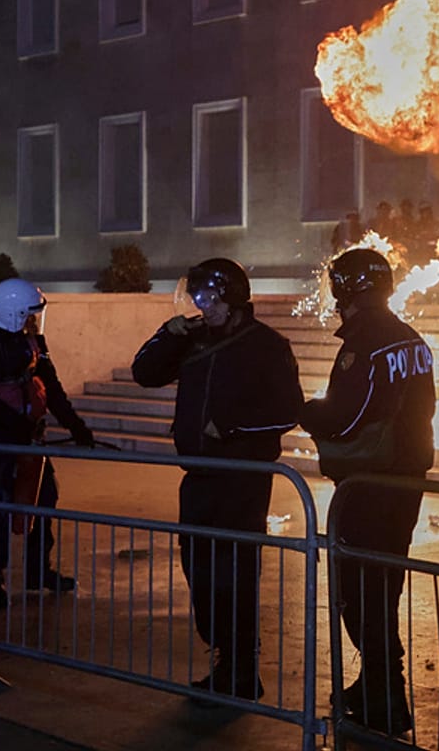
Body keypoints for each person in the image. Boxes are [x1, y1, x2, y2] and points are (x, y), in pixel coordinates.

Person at [130, 258, 303, 702]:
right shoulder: (194, 338)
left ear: (232, 297)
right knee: (200, 570)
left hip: (242, 478)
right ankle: (223, 655)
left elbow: (287, 410)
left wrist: (231, 426)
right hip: (200, 475)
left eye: (208, 298)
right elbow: (145, 373)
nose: (201, 306)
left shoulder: (267, 345)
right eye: (198, 298)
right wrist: (167, 336)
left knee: (235, 572)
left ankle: (243, 668)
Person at [300, 248, 435, 737]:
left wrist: (306, 411)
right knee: (384, 586)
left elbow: (347, 416)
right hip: (406, 480)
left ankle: (386, 697)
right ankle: (375, 684)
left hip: (370, 484)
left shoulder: (365, 343)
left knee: (359, 593)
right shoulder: (411, 338)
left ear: (347, 289)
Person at [0, 277, 92, 610]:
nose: (33, 320)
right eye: (28, 314)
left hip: (28, 438)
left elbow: (52, 388)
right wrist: (16, 427)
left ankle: (37, 571)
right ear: (13, 312)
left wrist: (77, 426)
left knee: (44, 498)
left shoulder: (30, 342)